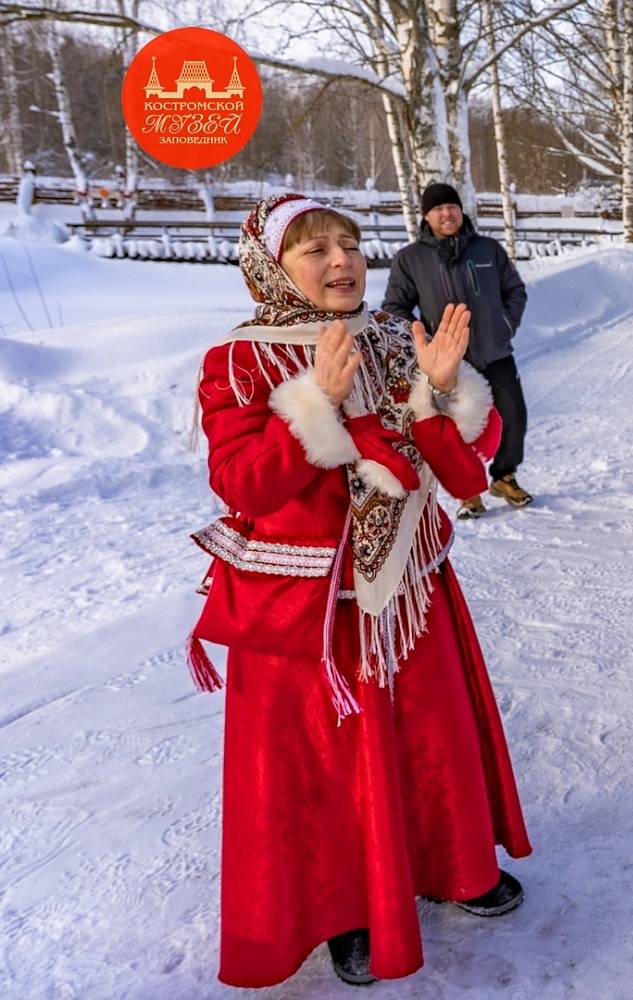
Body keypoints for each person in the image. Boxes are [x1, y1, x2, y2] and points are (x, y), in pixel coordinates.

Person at [188, 194, 531, 987]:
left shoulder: (389, 337)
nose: (341, 262)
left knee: (429, 736)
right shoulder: (238, 360)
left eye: (349, 244)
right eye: (316, 251)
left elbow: (461, 462)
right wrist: (319, 406)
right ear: (274, 268)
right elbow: (241, 479)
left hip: (408, 582)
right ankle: (346, 906)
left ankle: (453, 864)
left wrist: (442, 391)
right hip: (311, 613)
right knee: (327, 765)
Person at [384, 182, 533, 518]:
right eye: (437, 209)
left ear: (461, 210)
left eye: (451, 207)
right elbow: (396, 308)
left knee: (514, 417)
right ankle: (468, 493)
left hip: (495, 352)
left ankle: (504, 477)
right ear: (426, 216)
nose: (446, 214)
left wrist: (505, 326)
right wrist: (429, 344)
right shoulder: (411, 259)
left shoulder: (487, 250)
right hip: (450, 364)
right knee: (459, 429)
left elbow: (515, 290)